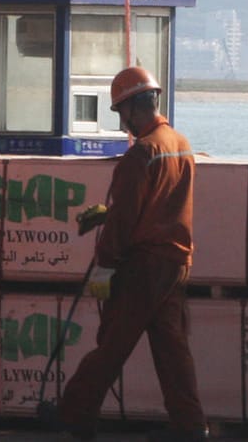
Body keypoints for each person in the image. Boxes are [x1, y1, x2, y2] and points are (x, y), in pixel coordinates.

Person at [58, 67, 206, 442]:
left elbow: (126, 219)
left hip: (143, 267)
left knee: (111, 346)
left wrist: (104, 267)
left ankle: (73, 416)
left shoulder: (142, 153)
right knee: (173, 352)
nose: (122, 122)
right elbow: (162, 204)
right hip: (176, 264)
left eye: (120, 113)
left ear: (130, 109)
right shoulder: (181, 144)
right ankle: (191, 427)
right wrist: (108, 213)